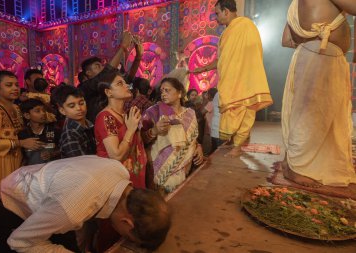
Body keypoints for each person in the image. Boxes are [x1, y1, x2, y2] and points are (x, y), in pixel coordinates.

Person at [0, 155, 171, 252]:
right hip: (9, 218)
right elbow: (19, 241)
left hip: (46, 205)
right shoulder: (72, 208)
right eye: (130, 238)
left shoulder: (119, 170)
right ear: (128, 223)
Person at [281, 0, 356, 187]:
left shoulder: (295, 4)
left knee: (311, 116)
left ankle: (292, 162)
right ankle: (297, 168)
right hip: (320, 56)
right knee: (311, 117)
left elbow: (285, 39)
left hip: (312, 54)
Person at [191, 0, 272, 157]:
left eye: (217, 13)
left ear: (226, 11)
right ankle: (231, 146)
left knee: (244, 111)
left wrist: (244, 74)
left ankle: (237, 146)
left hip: (244, 81)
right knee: (229, 116)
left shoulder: (246, 26)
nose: (216, 17)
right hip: (229, 83)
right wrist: (203, 68)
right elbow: (223, 60)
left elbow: (253, 54)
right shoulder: (226, 34)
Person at [0, 71, 41, 249]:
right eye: (8, 85)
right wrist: (19, 143)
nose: (14, 88)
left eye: (15, 84)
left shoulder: (17, 108)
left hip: (13, 162)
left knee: (12, 204)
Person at [141, 78, 204, 193]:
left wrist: (198, 146)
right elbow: (141, 140)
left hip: (185, 168)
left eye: (167, 90)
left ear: (179, 93)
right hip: (160, 170)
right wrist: (154, 131)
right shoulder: (153, 112)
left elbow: (191, 138)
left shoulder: (190, 113)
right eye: (161, 91)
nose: (163, 94)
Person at [94, 71, 146, 189]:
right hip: (118, 181)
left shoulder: (127, 114)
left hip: (135, 175)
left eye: (125, 83)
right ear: (108, 92)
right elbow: (116, 155)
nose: (127, 86)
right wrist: (131, 129)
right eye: (120, 83)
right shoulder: (106, 117)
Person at [79, 31, 143, 123]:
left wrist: (138, 57)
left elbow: (128, 79)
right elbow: (104, 74)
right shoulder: (84, 88)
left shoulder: (107, 83)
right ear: (88, 73)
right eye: (97, 66)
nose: (102, 68)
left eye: (102, 65)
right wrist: (123, 47)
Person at [51, 85, 96, 158]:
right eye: (72, 106)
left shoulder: (89, 124)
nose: (79, 108)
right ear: (62, 110)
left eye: (81, 103)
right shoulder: (70, 134)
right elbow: (80, 163)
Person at [18, 98, 60, 165]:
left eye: (44, 110)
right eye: (38, 111)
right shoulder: (22, 134)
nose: (43, 113)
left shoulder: (54, 130)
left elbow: (63, 148)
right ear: (27, 115)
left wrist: (52, 154)